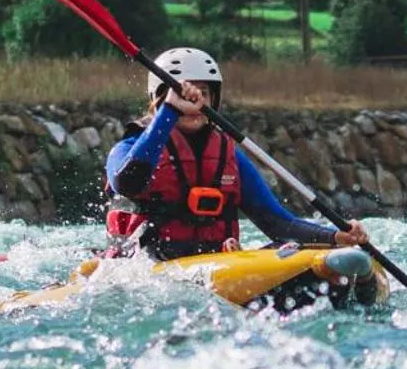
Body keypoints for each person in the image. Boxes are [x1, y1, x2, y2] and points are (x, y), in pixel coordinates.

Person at [102, 47, 372, 261]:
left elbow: (277, 223)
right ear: (160, 99)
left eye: (203, 93)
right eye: (184, 93)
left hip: (216, 265)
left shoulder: (226, 154)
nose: (194, 101)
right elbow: (127, 183)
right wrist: (170, 111)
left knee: (293, 249)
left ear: (214, 100)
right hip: (147, 269)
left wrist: (336, 237)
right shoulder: (129, 147)